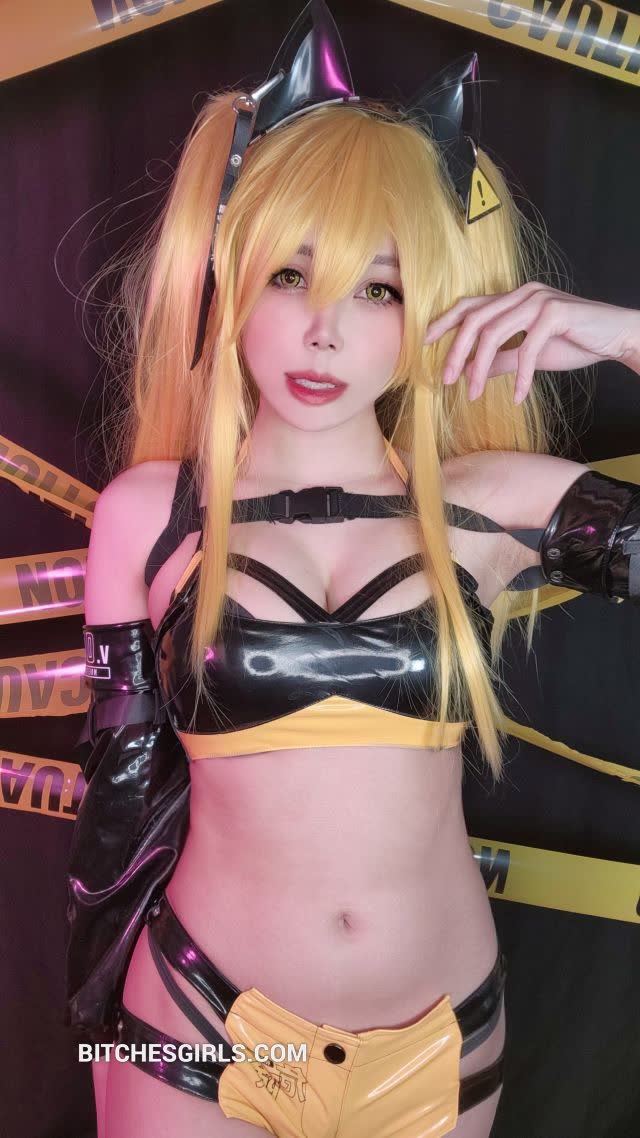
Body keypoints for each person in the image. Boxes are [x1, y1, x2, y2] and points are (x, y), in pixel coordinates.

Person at [65, 3, 640, 1137]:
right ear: (231, 273)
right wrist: (96, 1033)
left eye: (379, 288)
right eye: (291, 274)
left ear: (430, 305)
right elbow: (117, 804)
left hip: (441, 1043)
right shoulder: (152, 515)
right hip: (196, 1029)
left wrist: (627, 335)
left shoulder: (495, 505)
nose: (325, 329)